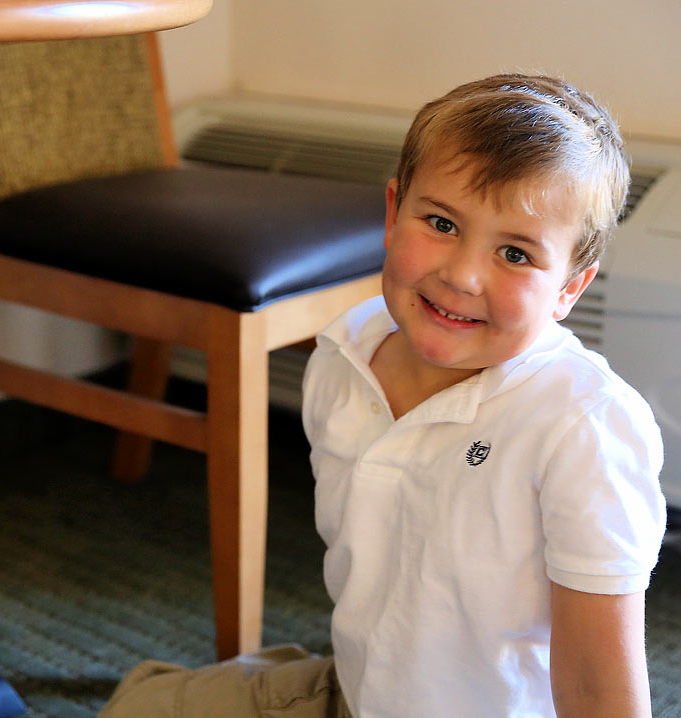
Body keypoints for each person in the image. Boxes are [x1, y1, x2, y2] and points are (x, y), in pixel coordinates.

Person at [100, 74, 667, 718]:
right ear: (394, 213)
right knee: (135, 709)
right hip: (358, 691)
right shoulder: (343, 354)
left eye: (514, 252)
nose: (462, 275)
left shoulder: (585, 428)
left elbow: (599, 688)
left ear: (570, 287)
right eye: (442, 222)